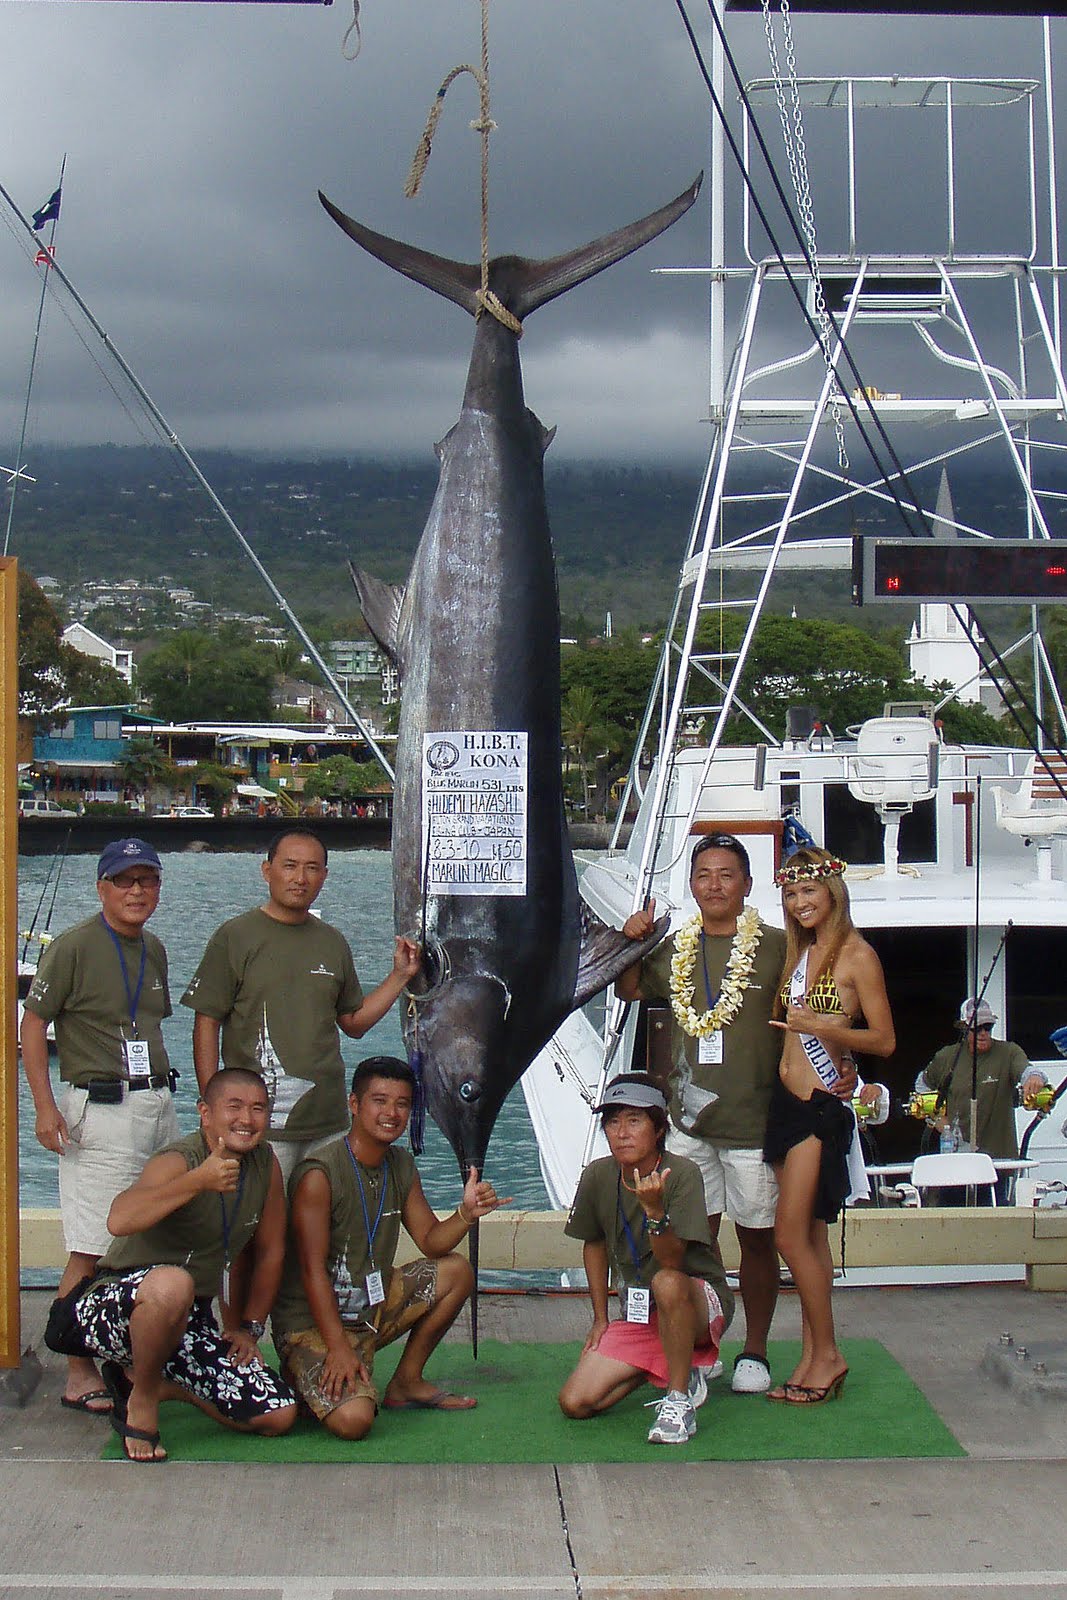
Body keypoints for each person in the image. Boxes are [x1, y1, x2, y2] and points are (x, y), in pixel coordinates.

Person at [616, 834, 789, 1396]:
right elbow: (626, 988)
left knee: (758, 1240)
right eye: (703, 875)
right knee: (695, 1243)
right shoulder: (676, 950)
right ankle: (704, 1342)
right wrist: (631, 941)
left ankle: (756, 1351)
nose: (713, 885)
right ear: (691, 885)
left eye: (726, 874)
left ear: (747, 885)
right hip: (689, 1125)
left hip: (755, 1125)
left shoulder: (779, 947)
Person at [21, 838, 181, 1416]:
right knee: (91, 1245)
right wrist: (43, 1107)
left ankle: (132, 1354)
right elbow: (33, 1025)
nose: (136, 891)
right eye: (124, 881)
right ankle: (77, 1370)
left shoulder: (154, 949)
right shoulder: (74, 946)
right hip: (102, 1110)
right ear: (102, 887)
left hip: (158, 1106)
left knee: (151, 1237)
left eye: (147, 880)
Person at [65, 1067, 298, 1462]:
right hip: (116, 1304)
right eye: (234, 1107)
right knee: (173, 1283)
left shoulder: (265, 1162)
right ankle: (142, 1403)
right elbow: (119, 1220)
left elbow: (271, 1249)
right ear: (205, 1113)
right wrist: (198, 1181)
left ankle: (153, 1382)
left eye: (258, 1108)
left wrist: (248, 1327)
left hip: (185, 1320)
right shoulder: (179, 1159)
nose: (247, 1119)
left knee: (278, 1414)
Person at [271, 1056, 507, 1438]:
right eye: (379, 1101)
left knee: (457, 1271)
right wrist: (337, 1348)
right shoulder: (320, 1174)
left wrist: (467, 1213)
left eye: (402, 1104)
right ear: (354, 1104)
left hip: (370, 1310)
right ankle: (303, 1368)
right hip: (313, 1325)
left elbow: (431, 1242)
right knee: (354, 1422)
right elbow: (311, 1271)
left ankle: (406, 1381)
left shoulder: (400, 1164)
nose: (391, 1113)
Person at [181, 827, 421, 1185]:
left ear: (324, 875)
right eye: (289, 866)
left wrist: (399, 976)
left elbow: (354, 1022)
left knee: (320, 1231)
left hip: (328, 1122)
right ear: (267, 870)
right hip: (260, 1124)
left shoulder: (332, 942)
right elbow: (207, 1023)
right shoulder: (235, 936)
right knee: (261, 1231)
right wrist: (215, 1108)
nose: (300, 878)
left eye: (312, 868)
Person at [765, 847, 895, 1405]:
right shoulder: (801, 952)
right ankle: (813, 1355)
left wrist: (825, 1029)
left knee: (789, 1235)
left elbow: (884, 1040)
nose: (800, 902)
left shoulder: (857, 955)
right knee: (810, 1237)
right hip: (786, 1102)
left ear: (832, 892)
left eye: (809, 891)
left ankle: (831, 1353)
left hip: (818, 1109)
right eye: (791, 894)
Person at [558, 1074, 734, 1445]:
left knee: (666, 1282)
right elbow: (594, 1244)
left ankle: (678, 1399)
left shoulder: (682, 1173)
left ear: (658, 1129)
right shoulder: (598, 1175)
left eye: (634, 1121)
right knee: (576, 1402)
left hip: (697, 1299)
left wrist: (654, 1211)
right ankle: (680, 1363)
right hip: (642, 1310)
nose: (621, 1132)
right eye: (613, 1121)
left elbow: (672, 1263)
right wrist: (601, 1317)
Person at [917, 997, 1046, 1200]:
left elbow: (1028, 1070)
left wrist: (1035, 1078)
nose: (983, 1033)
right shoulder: (946, 1057)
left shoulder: (1008, 1052)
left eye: (988, 1027)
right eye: (976, 1028)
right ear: (963, 1028)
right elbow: (921, 1086)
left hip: (997, 1163)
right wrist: (936, 1120)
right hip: (955, 1163)